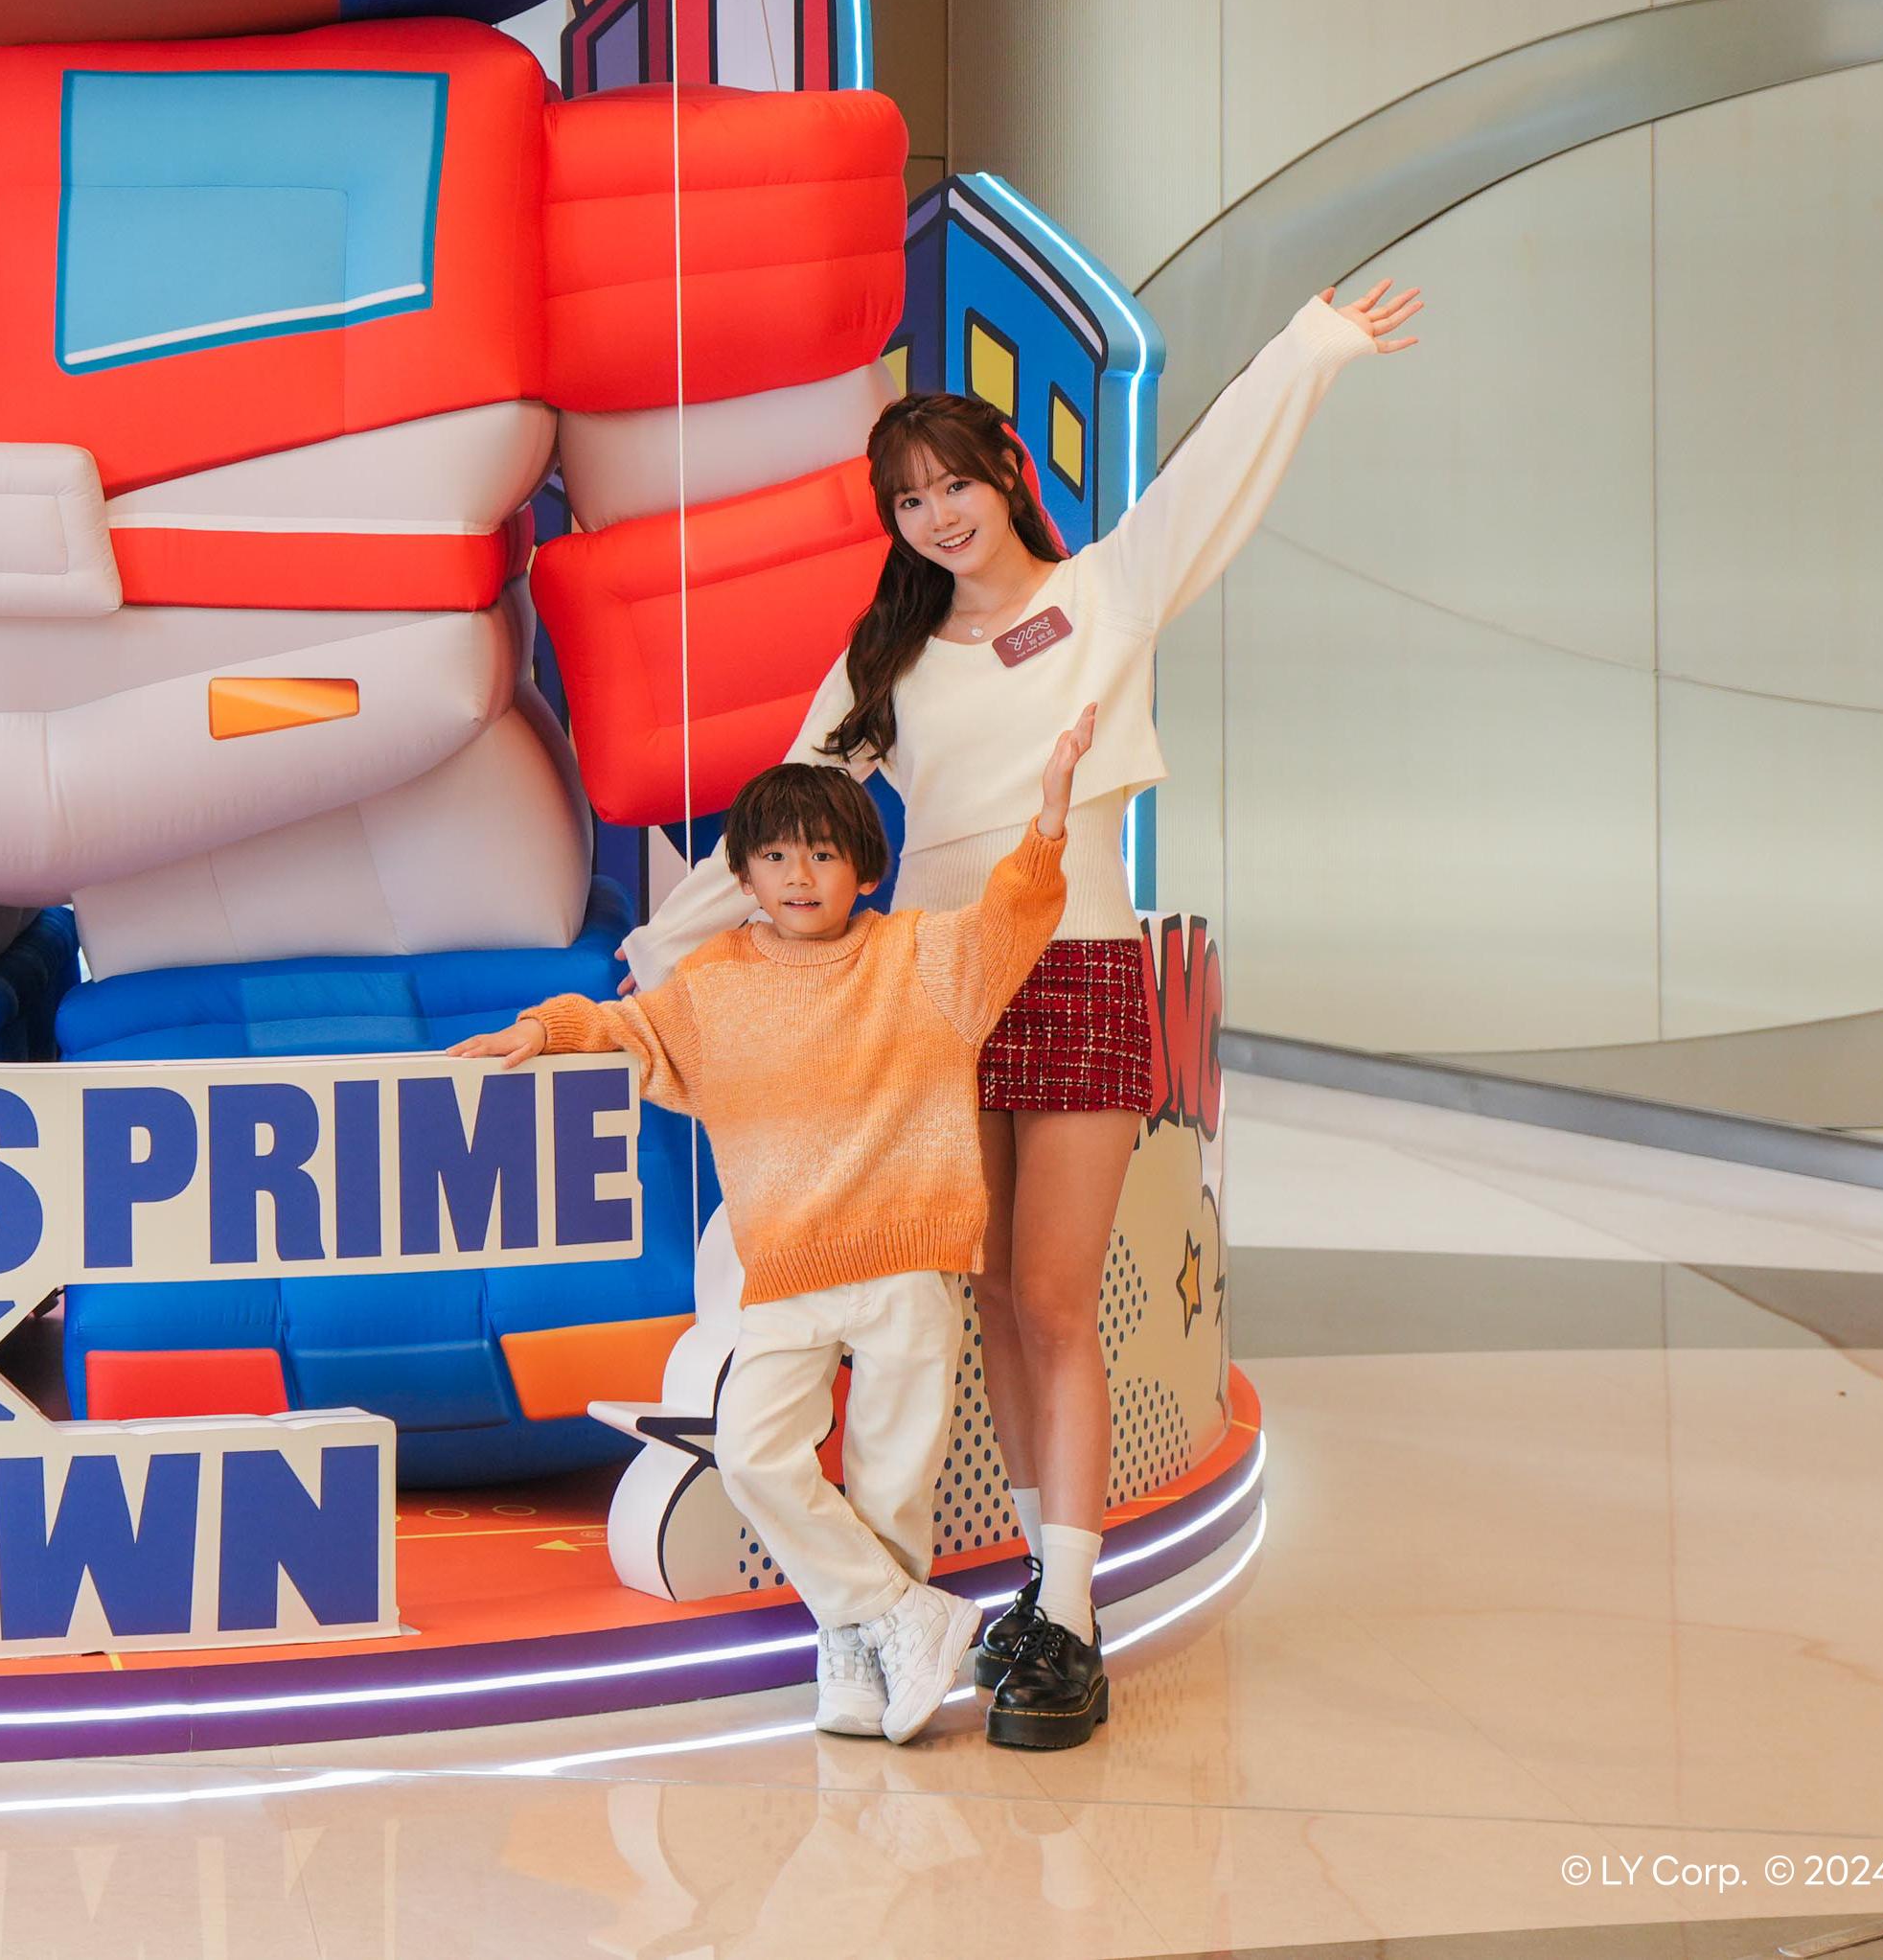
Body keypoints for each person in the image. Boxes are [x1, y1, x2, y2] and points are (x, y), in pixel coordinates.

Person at [628, 278, 1423, 1748]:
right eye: (907, 497)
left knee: (1052, 1297)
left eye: (952, 481)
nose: (936, 514)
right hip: (933, 991)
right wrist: (655, 951)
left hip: (1076, 963)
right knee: (980, 1297)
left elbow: (1210, 476)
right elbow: (783, 818)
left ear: (1005, 469)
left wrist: (1309, 344)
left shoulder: (1105, 590)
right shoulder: (885, 657)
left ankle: (1067, 1613)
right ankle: (992, 1596)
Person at [461, 713, 1095, 1742]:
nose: (800, 875)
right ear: (746, 874)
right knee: (755, 1454)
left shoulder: (921, 958)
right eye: (776, 855)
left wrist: (1051, 820)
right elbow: (623, 1028)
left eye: (824, 853)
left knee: (892, 1485)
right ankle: (898, 1615)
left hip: (907, 1266)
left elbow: (1010, 919)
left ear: (863, 869)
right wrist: (542, 1028)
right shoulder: (715, 986)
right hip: (787, 1273)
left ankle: (858, 1652)